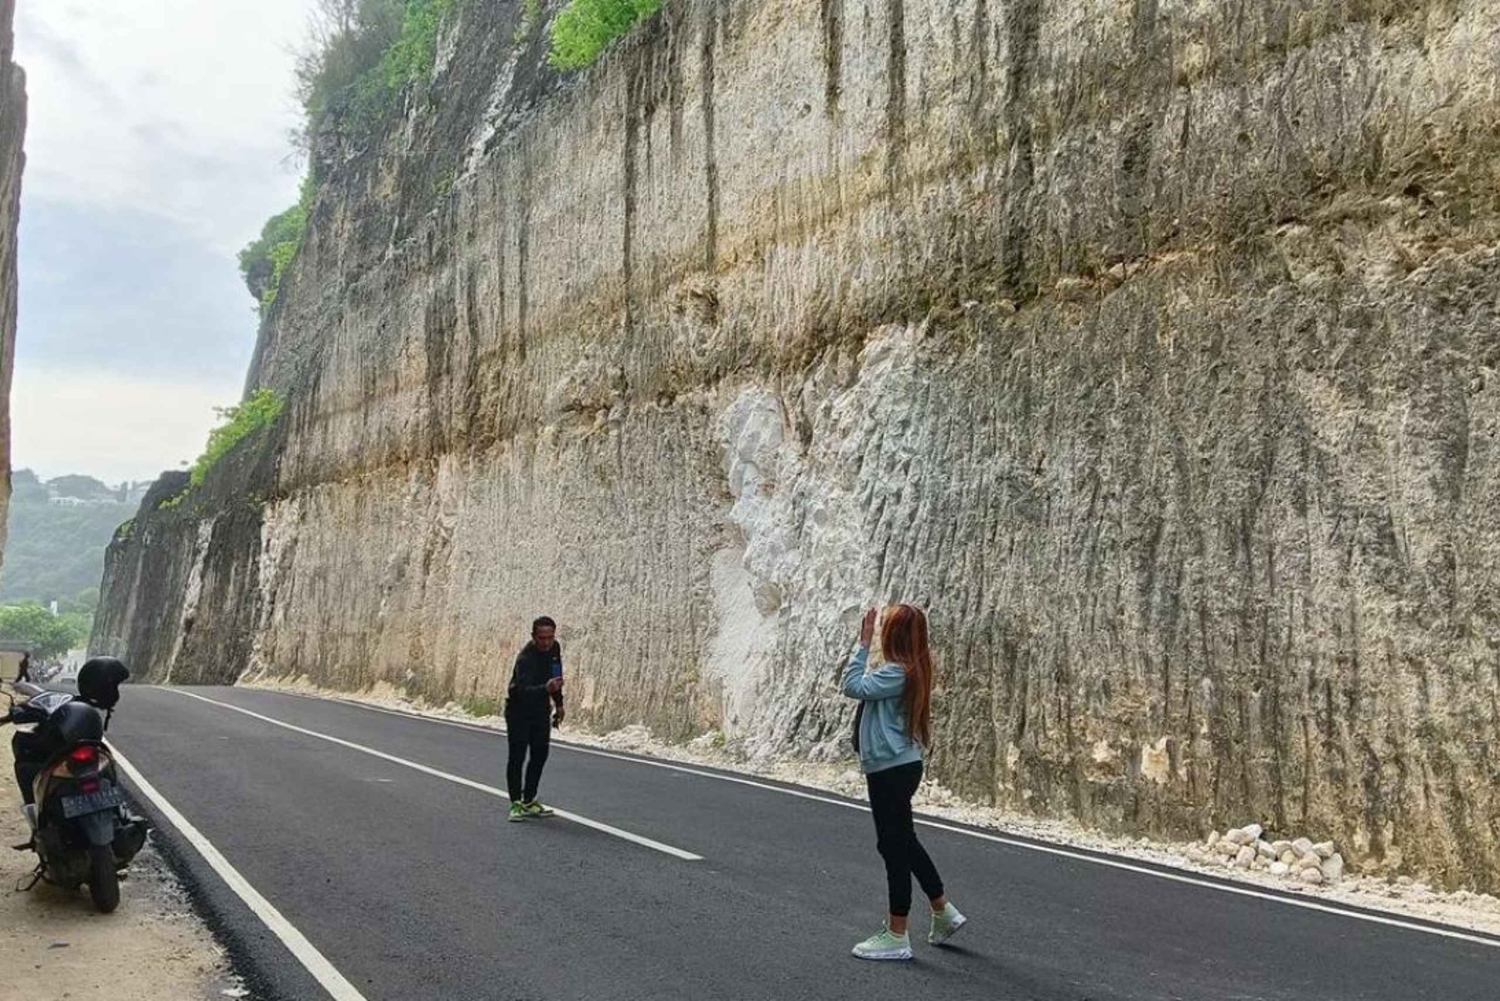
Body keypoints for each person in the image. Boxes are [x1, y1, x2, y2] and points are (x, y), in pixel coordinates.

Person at [842, 604, 966, 961]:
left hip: (890, 770)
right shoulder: (912, 669)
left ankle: (897, 934)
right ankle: (942, 910)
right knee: (903, 841)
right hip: (900, 766)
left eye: (884, 629)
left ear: (893, 636)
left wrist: (863, 644)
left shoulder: (896, 673)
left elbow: (851, 685)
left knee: (893, 847)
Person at [504, 616, 565, 822]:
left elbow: (556, 678)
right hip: (518, 711)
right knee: (517, 756)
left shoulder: (555, 648)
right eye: (542, 638)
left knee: (540, 755)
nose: (546, 642)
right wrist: (545, 688)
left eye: (550, 637)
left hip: (540, 710)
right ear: (533, 636)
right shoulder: (525, 658)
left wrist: (559, 703)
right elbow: (522, 691)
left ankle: (529, 800)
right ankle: (515, 803)